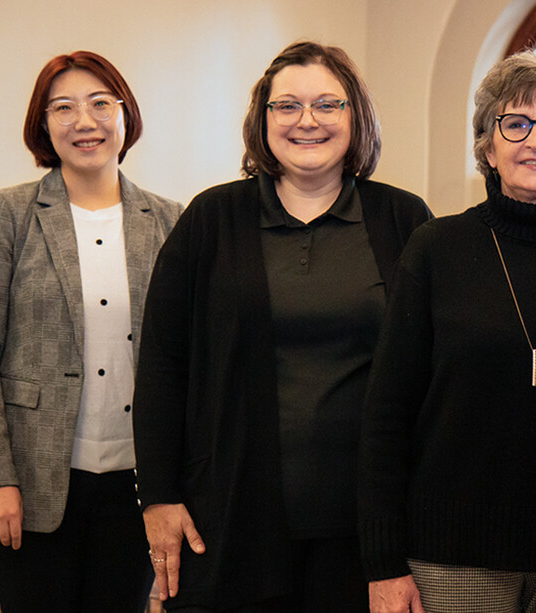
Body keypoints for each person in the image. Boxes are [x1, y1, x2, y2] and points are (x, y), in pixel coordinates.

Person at [132, 41, 431, 612]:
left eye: (328, 104)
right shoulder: (211, 219)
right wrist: (159, 498)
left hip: (367, 531)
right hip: (227, 518)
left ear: (356, 117)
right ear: (262, 120)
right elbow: (162, 366)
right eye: (286, 106)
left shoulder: (404, 219)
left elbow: (433, 371)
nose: (307, 121)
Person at [358, 49, 536, 613]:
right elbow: (387, 414)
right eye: (515, 123)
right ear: (487, 146)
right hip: (452, 559)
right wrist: (383, 563)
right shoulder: (434, 250)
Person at [0, 51, 181, 612]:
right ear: (43, 123)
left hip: (135, 484)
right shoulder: (9, 213)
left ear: (126, 117)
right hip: (29, 483)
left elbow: (183, 358)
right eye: (64, 107)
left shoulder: (172, 220)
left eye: (102, 103)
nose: (85, 121)